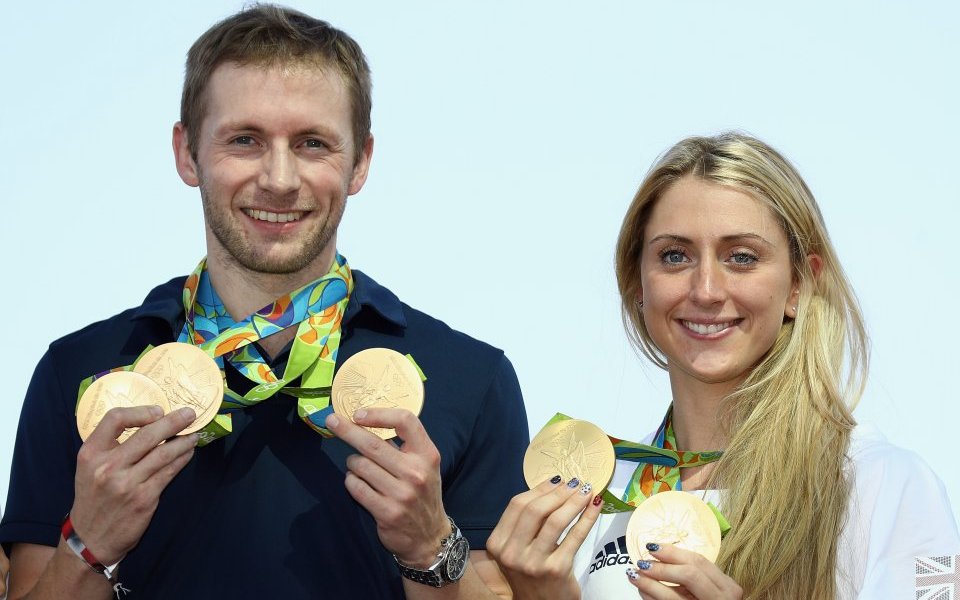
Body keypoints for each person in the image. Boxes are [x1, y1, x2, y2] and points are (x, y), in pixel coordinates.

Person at [0, 6, 528, 599]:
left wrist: (432, 545)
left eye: (312, 143)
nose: (279, 178)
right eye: (245, 140)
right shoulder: (82, 369)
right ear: (186, 153)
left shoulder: (473, 379)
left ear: (361, 162)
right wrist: (89, 544)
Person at [486, 133, 960, 599]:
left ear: (800, 285)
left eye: (741, 257)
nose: (707, 289)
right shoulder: (599, 496)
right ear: (638, 286)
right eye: (675, 256)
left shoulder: (893, 483)